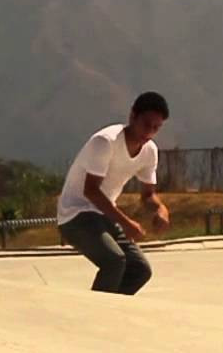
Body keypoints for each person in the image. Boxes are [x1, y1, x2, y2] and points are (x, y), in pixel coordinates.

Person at [56, 92, 170, 295]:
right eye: (146, 124)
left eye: (156, 128)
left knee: (140, 270)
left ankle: (107, 306)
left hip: (104, 216)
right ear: (133, 116)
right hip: (75, 215)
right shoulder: (106, 141)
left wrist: (161, 210)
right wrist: (126, 223)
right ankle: (95, 311)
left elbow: (148, 195)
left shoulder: (150, 151)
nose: (149, 132)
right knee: (114, 261)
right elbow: (91, 191)